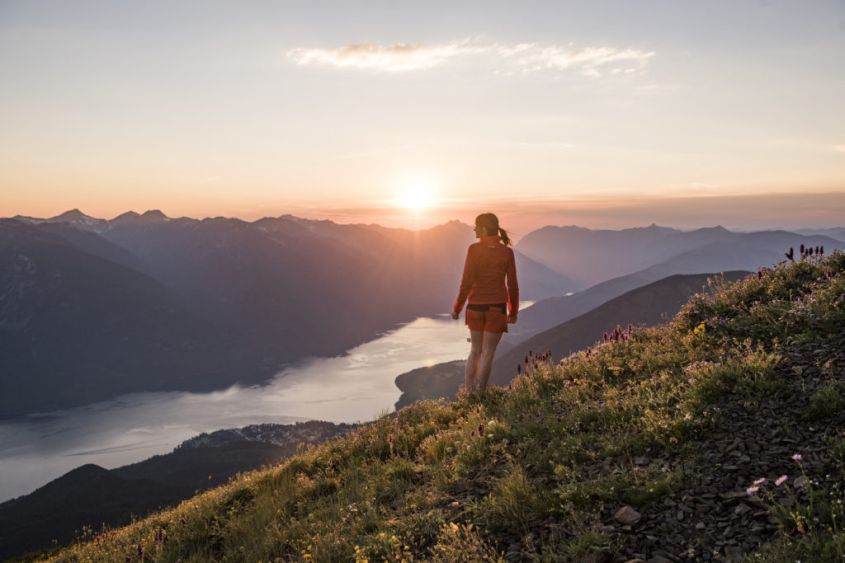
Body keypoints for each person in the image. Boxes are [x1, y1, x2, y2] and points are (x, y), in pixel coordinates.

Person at [451, 212, 519, 394]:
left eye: (476, 226)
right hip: (497, 308)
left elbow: (466, 282)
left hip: (475, 307)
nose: (474, 229)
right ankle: (479, 396)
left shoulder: (473, 250)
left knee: (475, 351)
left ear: (483, 228)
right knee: (488, 354)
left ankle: (468, 393)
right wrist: (513, 312)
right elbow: (512, 285)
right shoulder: (506, 252)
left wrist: (457, 307)